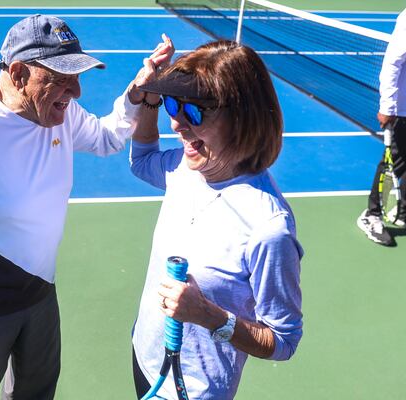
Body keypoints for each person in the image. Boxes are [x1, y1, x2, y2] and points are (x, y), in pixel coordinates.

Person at [0, 14, 173, 399]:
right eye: (61, 77)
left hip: (41, 293)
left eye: (77, 76)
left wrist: (135, 93)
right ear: (18, 73)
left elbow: (108, 137)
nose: (75, 91)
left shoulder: (59, 114)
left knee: (37, 391)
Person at [129, 40, 304, 399]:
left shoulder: (268, 229)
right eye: (172, 105)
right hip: (145, 358)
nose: (177, 124)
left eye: (194, 112)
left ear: (240, 117)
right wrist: (148, 98)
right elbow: (143, 159)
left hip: (195, 390)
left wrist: (208, 314)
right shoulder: (186, 166)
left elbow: (283, 340)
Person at [357, 8, 406, 246]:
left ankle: (404, 211)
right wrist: (388, 106)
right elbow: (392, 63)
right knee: (394, 161)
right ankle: (372, 215)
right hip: (402, 110)